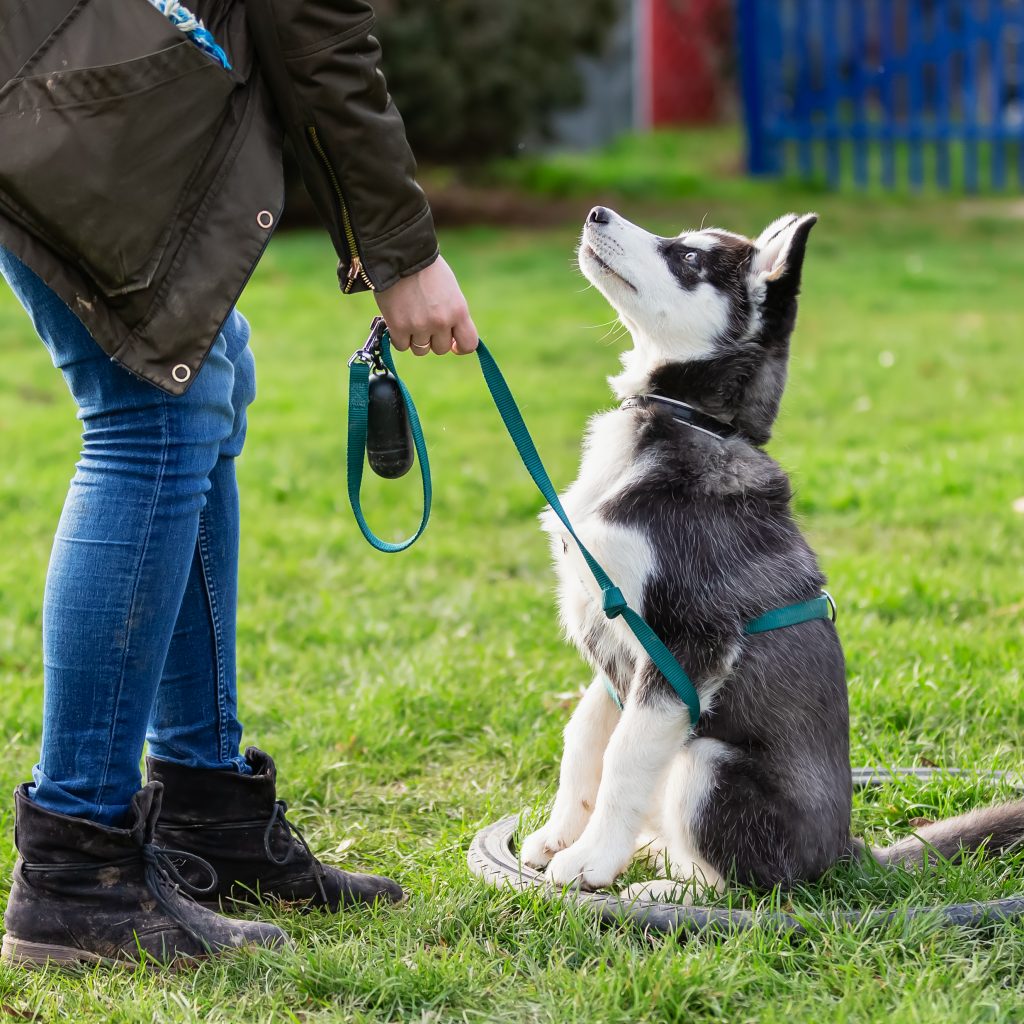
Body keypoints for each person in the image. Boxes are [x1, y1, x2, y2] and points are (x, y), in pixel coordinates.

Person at [0, 0, 477, 968]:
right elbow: (317, 34)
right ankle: (75, 875)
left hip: (57, 78)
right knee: (152, 417)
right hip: (56, 95)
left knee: (205, 375)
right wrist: (403, 254)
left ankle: (208, 811)